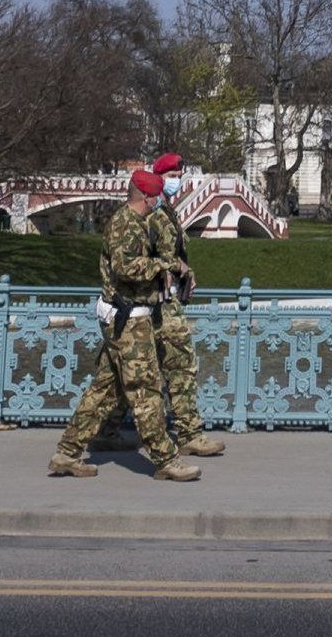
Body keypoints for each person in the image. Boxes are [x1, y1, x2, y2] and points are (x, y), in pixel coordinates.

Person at [48, 168, 201, 482]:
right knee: (146, 392)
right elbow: (126, 266)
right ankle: (167, 461)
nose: (158, 199)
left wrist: (169, 269)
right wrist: (164, 264)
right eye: (155, 194)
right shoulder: (125, 224)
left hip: (126, 318)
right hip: (128, 321)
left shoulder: (134, 222)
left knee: (104, 390)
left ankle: (67, 453)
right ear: (146, 197)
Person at [143, 152, 226, 458]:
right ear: (159, 177)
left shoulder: (167, 212)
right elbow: (156, 256)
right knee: (182, 366)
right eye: (173, 175)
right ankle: (189, 433)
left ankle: (108, 429)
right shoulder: (155, 213)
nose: (178, 180)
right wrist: (181, 269)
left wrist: (184, 272)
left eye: (180, 174)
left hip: (161, 301)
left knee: (128, 370)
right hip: (160, 303)